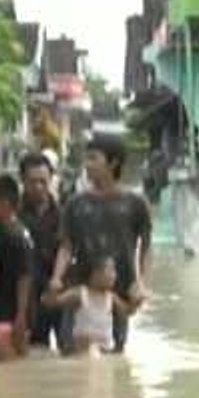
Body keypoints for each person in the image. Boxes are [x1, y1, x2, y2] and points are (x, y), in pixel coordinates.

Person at [50, 135, 153, 354]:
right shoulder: (76, 203)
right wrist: (57, 277)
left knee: (114, 353)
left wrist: (141, 283)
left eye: (93, 159)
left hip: (117, 291)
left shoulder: (135, 204)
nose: (87, 165)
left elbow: (145, 247)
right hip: (80, 290)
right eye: (86, 159)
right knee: (70, 350)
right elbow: (66, 246)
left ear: (113, 163)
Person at [42, 256, 137, 357]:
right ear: (95, 274)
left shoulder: (111, 297)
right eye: (109, 270)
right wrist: (52, 289)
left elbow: (127, 312)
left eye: (114, 271)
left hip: (103, 350)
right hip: (80, 351)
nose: (114, 275)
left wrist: (135, 301)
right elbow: (50, 302)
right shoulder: (80, 293)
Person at [0, 174, 34, 363]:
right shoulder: (13, 231)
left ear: (4, 203)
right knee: (16, 371)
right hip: (12, 313)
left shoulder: (13, 236)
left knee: (5, 376)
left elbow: (25, 276)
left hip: (9, 314)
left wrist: (20, 316)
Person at [18, 152, 63, 349]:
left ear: (51, 179)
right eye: (32, 181)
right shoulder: (12, 217)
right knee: (34, 354)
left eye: (43, 181)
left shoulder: (65, 214)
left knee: (69, 353)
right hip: (26, 300)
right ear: (22, 180)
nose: (38, 187)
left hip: (59, 294)